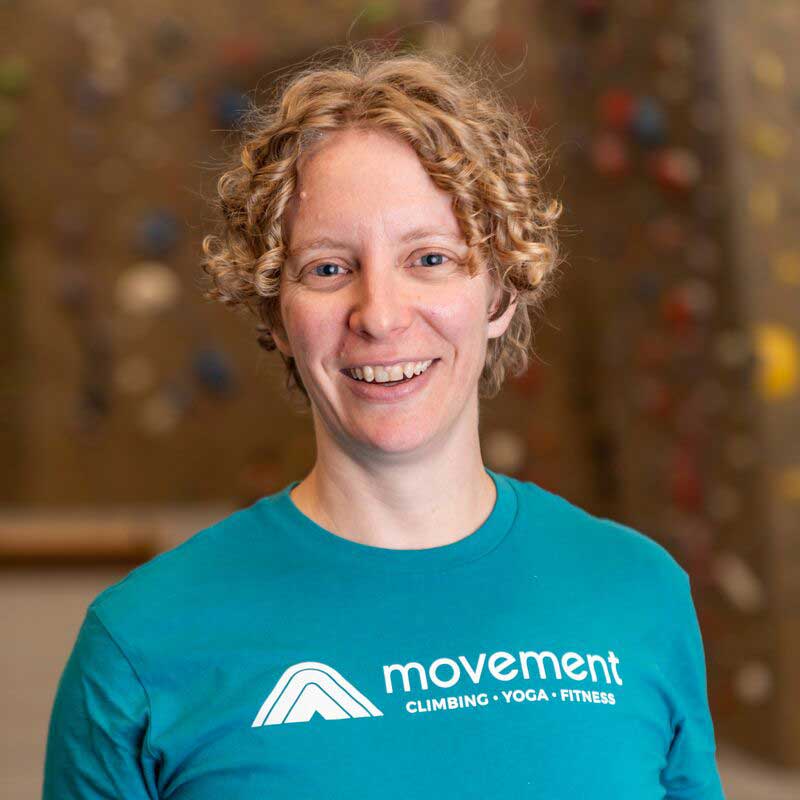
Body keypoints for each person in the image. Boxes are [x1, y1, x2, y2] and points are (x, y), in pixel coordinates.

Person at [42, 44, 726, 799]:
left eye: (429, 258)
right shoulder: (142, 644)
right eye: (328, 268)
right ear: (275, 314)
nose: (380, 315)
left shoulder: (637, 593)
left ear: (500, 292)